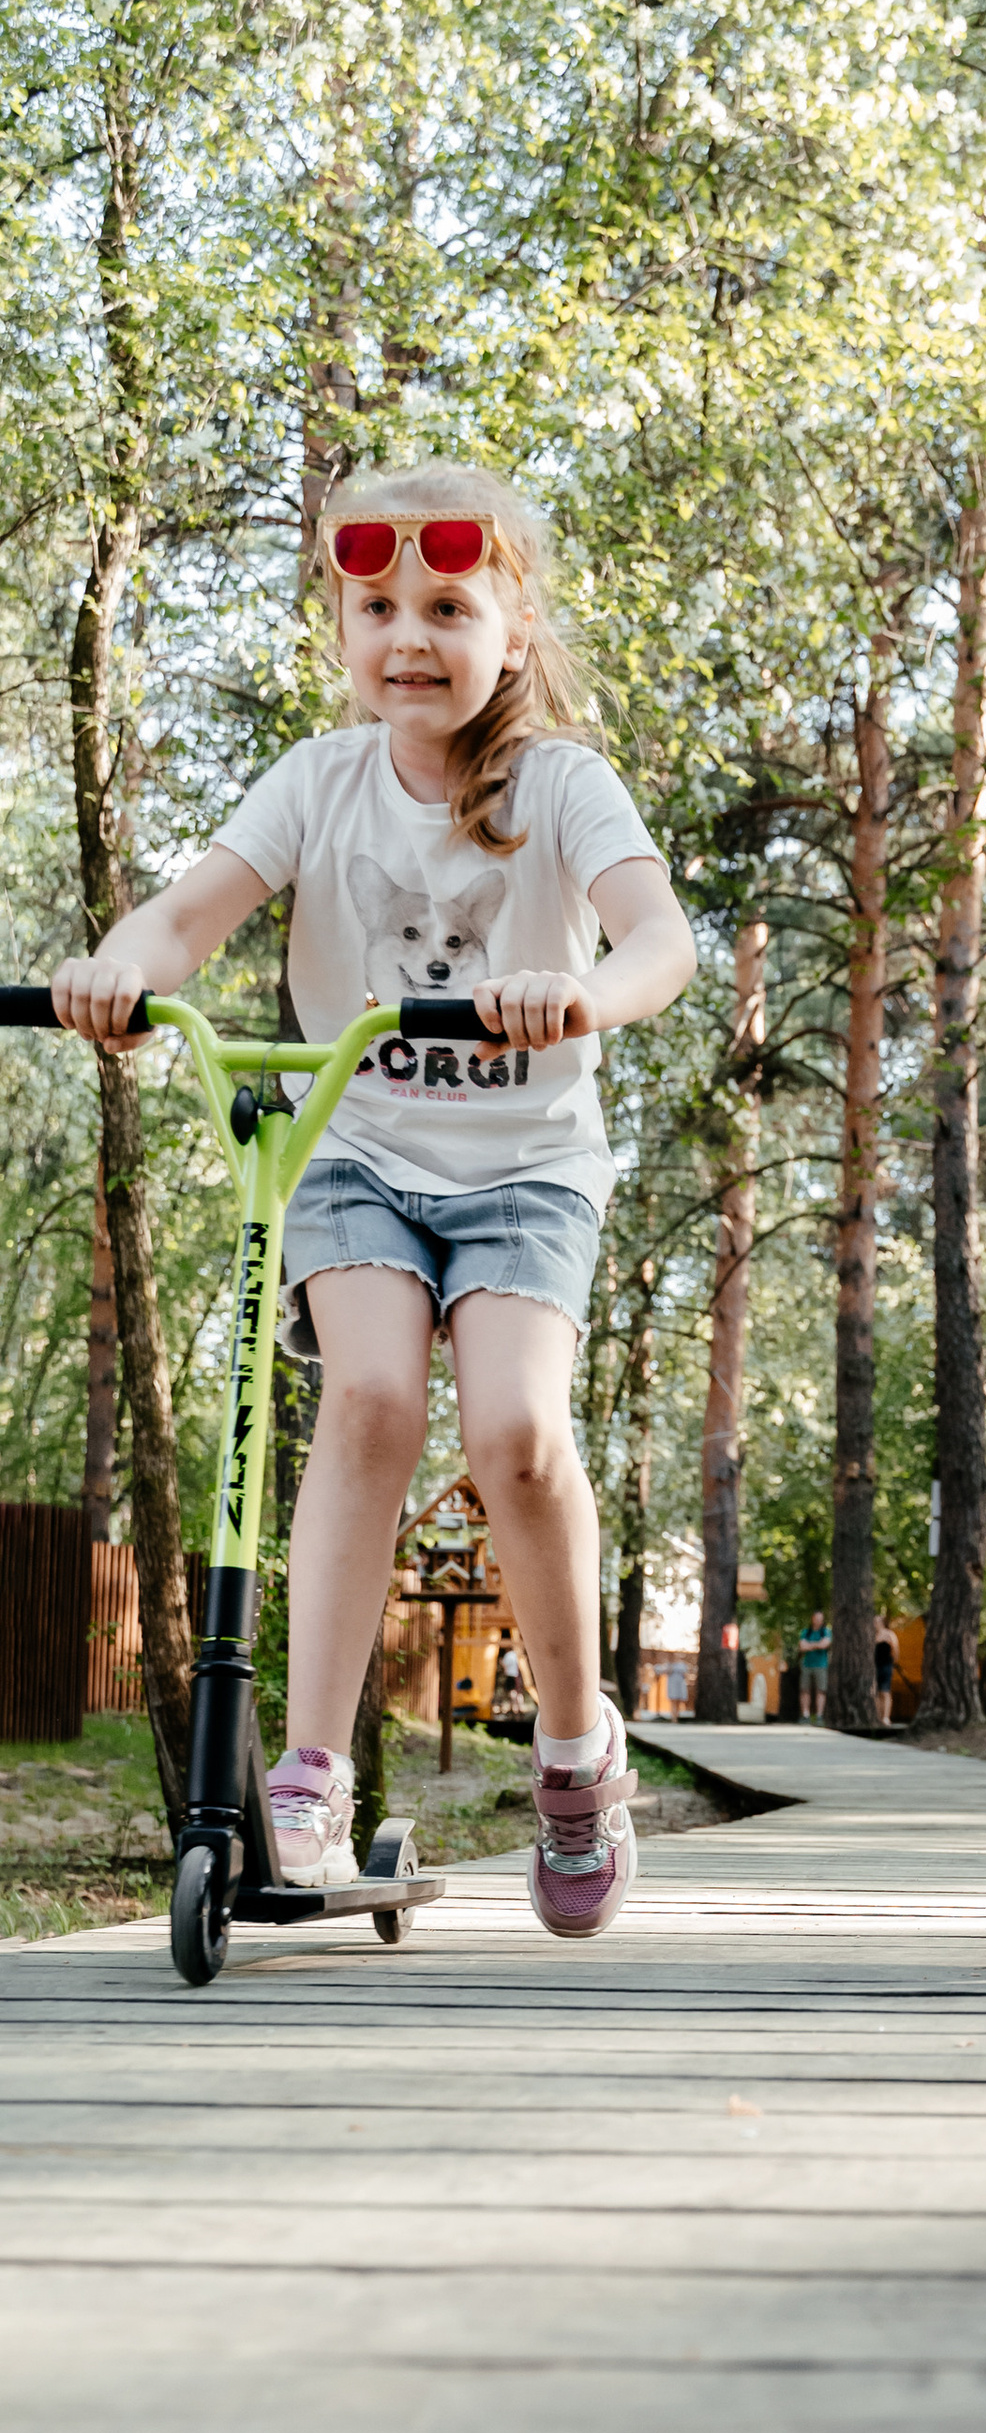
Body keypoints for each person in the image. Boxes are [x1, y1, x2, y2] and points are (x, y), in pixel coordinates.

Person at [52, 460, 697, 1935]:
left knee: (519, 1434)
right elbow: (189, 916)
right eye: (378, 606)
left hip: (528, 1169)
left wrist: (583, 994)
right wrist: (122, 969)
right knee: (371, 1404)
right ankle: (311, 1773)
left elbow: (659, 937)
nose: (410, 634)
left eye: (449, 606)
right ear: (339, 627)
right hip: (352, 1150)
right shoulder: (316, 782)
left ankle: (578, 1748)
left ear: (513, 631)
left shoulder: (560, 786)